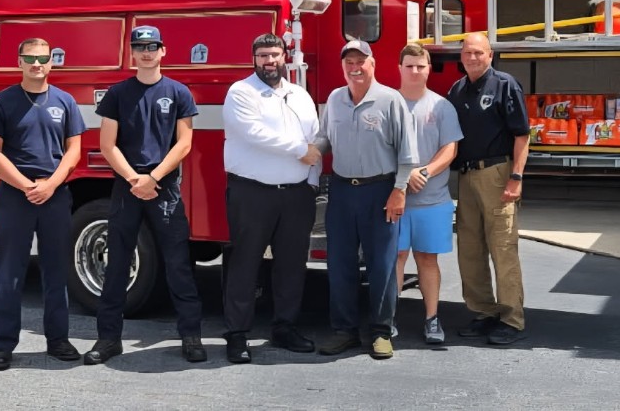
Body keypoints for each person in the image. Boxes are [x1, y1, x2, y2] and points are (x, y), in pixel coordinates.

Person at [84, 25, 206, 365]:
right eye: (140, 47)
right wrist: (134, 179)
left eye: (152, 46)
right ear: (132, 53)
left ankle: (191, 336)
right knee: (117, 266)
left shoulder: (179, 92)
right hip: (127, 188)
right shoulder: (117, 94)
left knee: (179, 265)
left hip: (164, 188)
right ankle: (108, 340)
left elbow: (184, 143)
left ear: (163, 51)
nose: (147, 52)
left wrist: (152, 177)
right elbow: (106, 145)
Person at [0, 38, 86, 370]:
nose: (37, 63)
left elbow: (74, 151)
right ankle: (3, 345)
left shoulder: (65, 102)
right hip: (15, 197)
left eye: (43, 58)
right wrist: (27, 186)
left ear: (52, 62)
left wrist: (50, 185)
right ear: (19, 62)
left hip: (55, 196)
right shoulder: (0, 102)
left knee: (56, 271)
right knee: (10, 273)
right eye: (30, 58)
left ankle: (58, 340)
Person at [221, 32, 321, 364]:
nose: (269, 61)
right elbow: (254, 133)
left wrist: (312, 182)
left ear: (285, 57)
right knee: (244, 265)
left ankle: (285, 328)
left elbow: (314, 139)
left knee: (292, 266)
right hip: (252, 193)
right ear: (254, 59)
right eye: (263, 55)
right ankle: (237, 335)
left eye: (275, 55)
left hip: (296, 195)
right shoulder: (241, 92)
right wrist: (299, 152)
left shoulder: (300, 95)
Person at [315, 39, 418, 360]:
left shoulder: (390, 100)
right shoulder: (334, 99)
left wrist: (399, 190)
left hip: (381, 192)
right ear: (343, 66)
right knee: (340, 264)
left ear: (373, 64)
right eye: (349, 61)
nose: (355, 67)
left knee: (382, 266)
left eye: (361, 60)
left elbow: (408, 152)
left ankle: (381, 332)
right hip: (343, 191)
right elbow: (324, 137)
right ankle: (344, 331)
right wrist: (310, 151)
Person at [446, 33, 530, 345]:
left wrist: (516, 178)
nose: (472, 58)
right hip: (466, 177)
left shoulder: (505, 85)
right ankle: (484, 312)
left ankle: (511, 319)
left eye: (478, 53)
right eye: (467, 53)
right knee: (470, 250)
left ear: (490, 55)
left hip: (497, 174)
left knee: (502, 249)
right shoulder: (457, 89)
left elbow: (522, 135)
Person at [394, 43, 462, 345]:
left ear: (429, 68)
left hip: (432, 200)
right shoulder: (387, 103)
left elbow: (450, 148)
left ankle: (432, 319)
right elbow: (379, 148)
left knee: (427, 259)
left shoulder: (442, 106)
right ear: (400, 68)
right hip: (395, 199)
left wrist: (424, 172)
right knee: (394, 258)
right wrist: (403, 177)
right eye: (409, 65)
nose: (415, 71)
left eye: (420, 66)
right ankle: (389, 318)